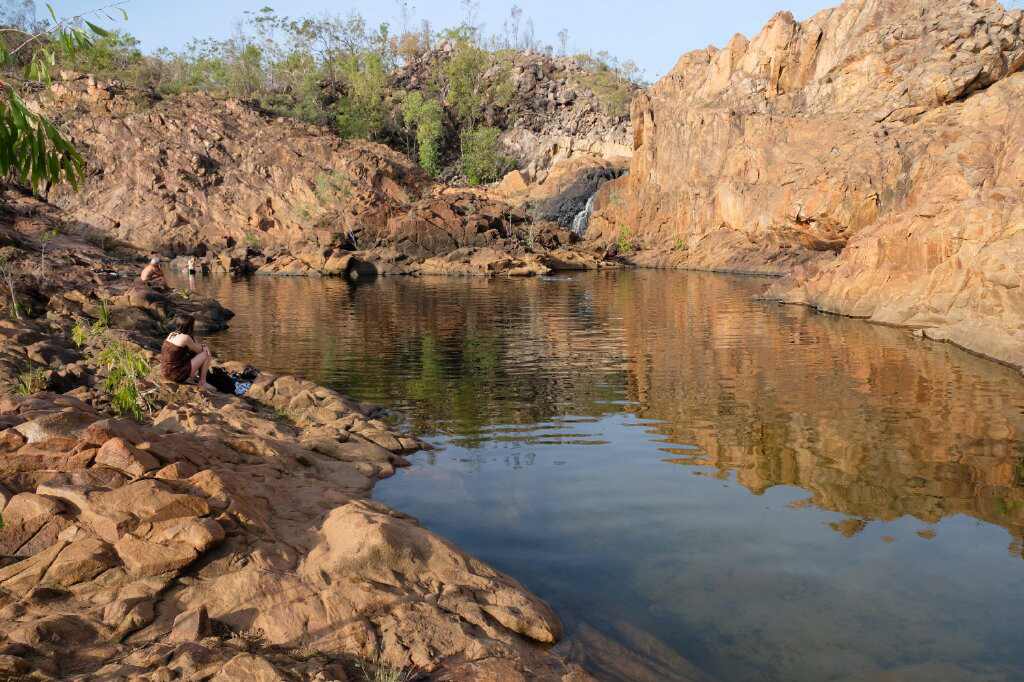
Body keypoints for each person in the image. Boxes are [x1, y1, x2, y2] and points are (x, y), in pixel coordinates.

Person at [160, 313, 215, 391]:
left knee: (193, 353)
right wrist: (205, 347)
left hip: (165, 372)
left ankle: (195, 378)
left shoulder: (171, 334)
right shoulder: (186, 338)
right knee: (206, 353)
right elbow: (200, 350)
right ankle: (202, 382)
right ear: (189, 326)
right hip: (176, 375)